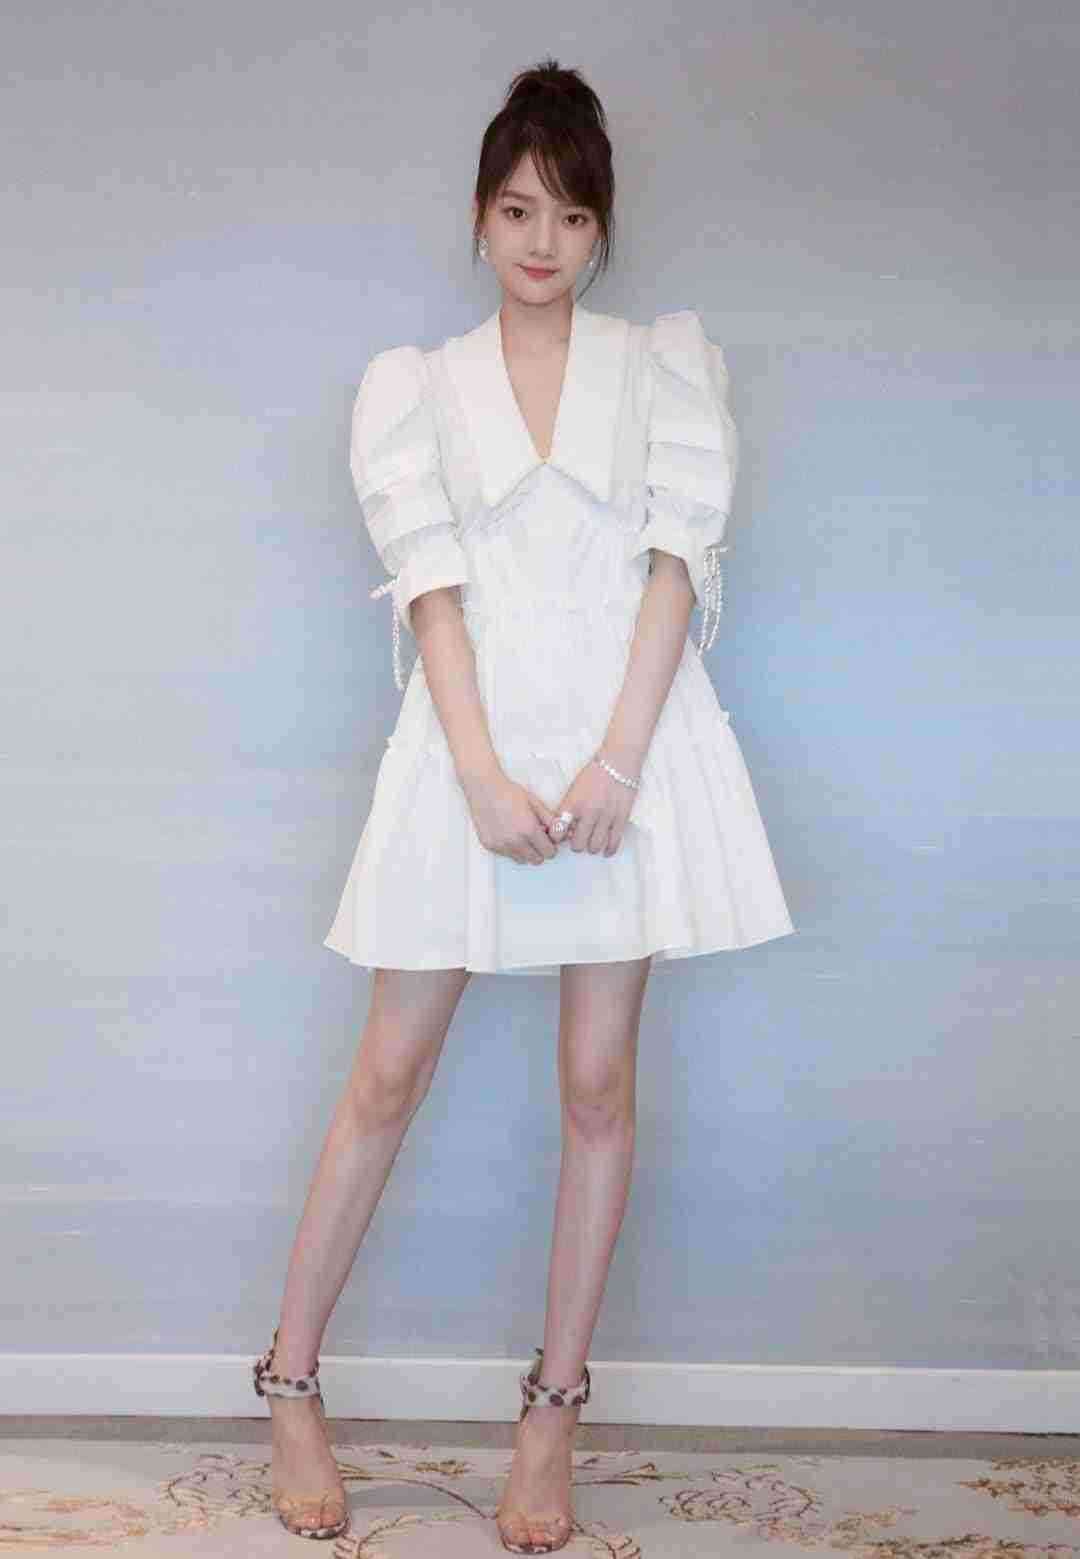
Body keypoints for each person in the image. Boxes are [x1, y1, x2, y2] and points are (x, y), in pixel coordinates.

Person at [252, 56, 795, 1553]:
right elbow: (432, 593)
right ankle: (289, 1381)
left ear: (602, 228)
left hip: (626, 753)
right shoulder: (417, 387)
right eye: (515, 210)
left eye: (568, 214)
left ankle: (552, 1417)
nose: (541, 240)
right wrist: (483, 775)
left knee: (598, 1086)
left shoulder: (664, 366)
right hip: (468, 751)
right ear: (479, 218)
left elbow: (675, 568)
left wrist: (619, 764)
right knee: (387, 1073)